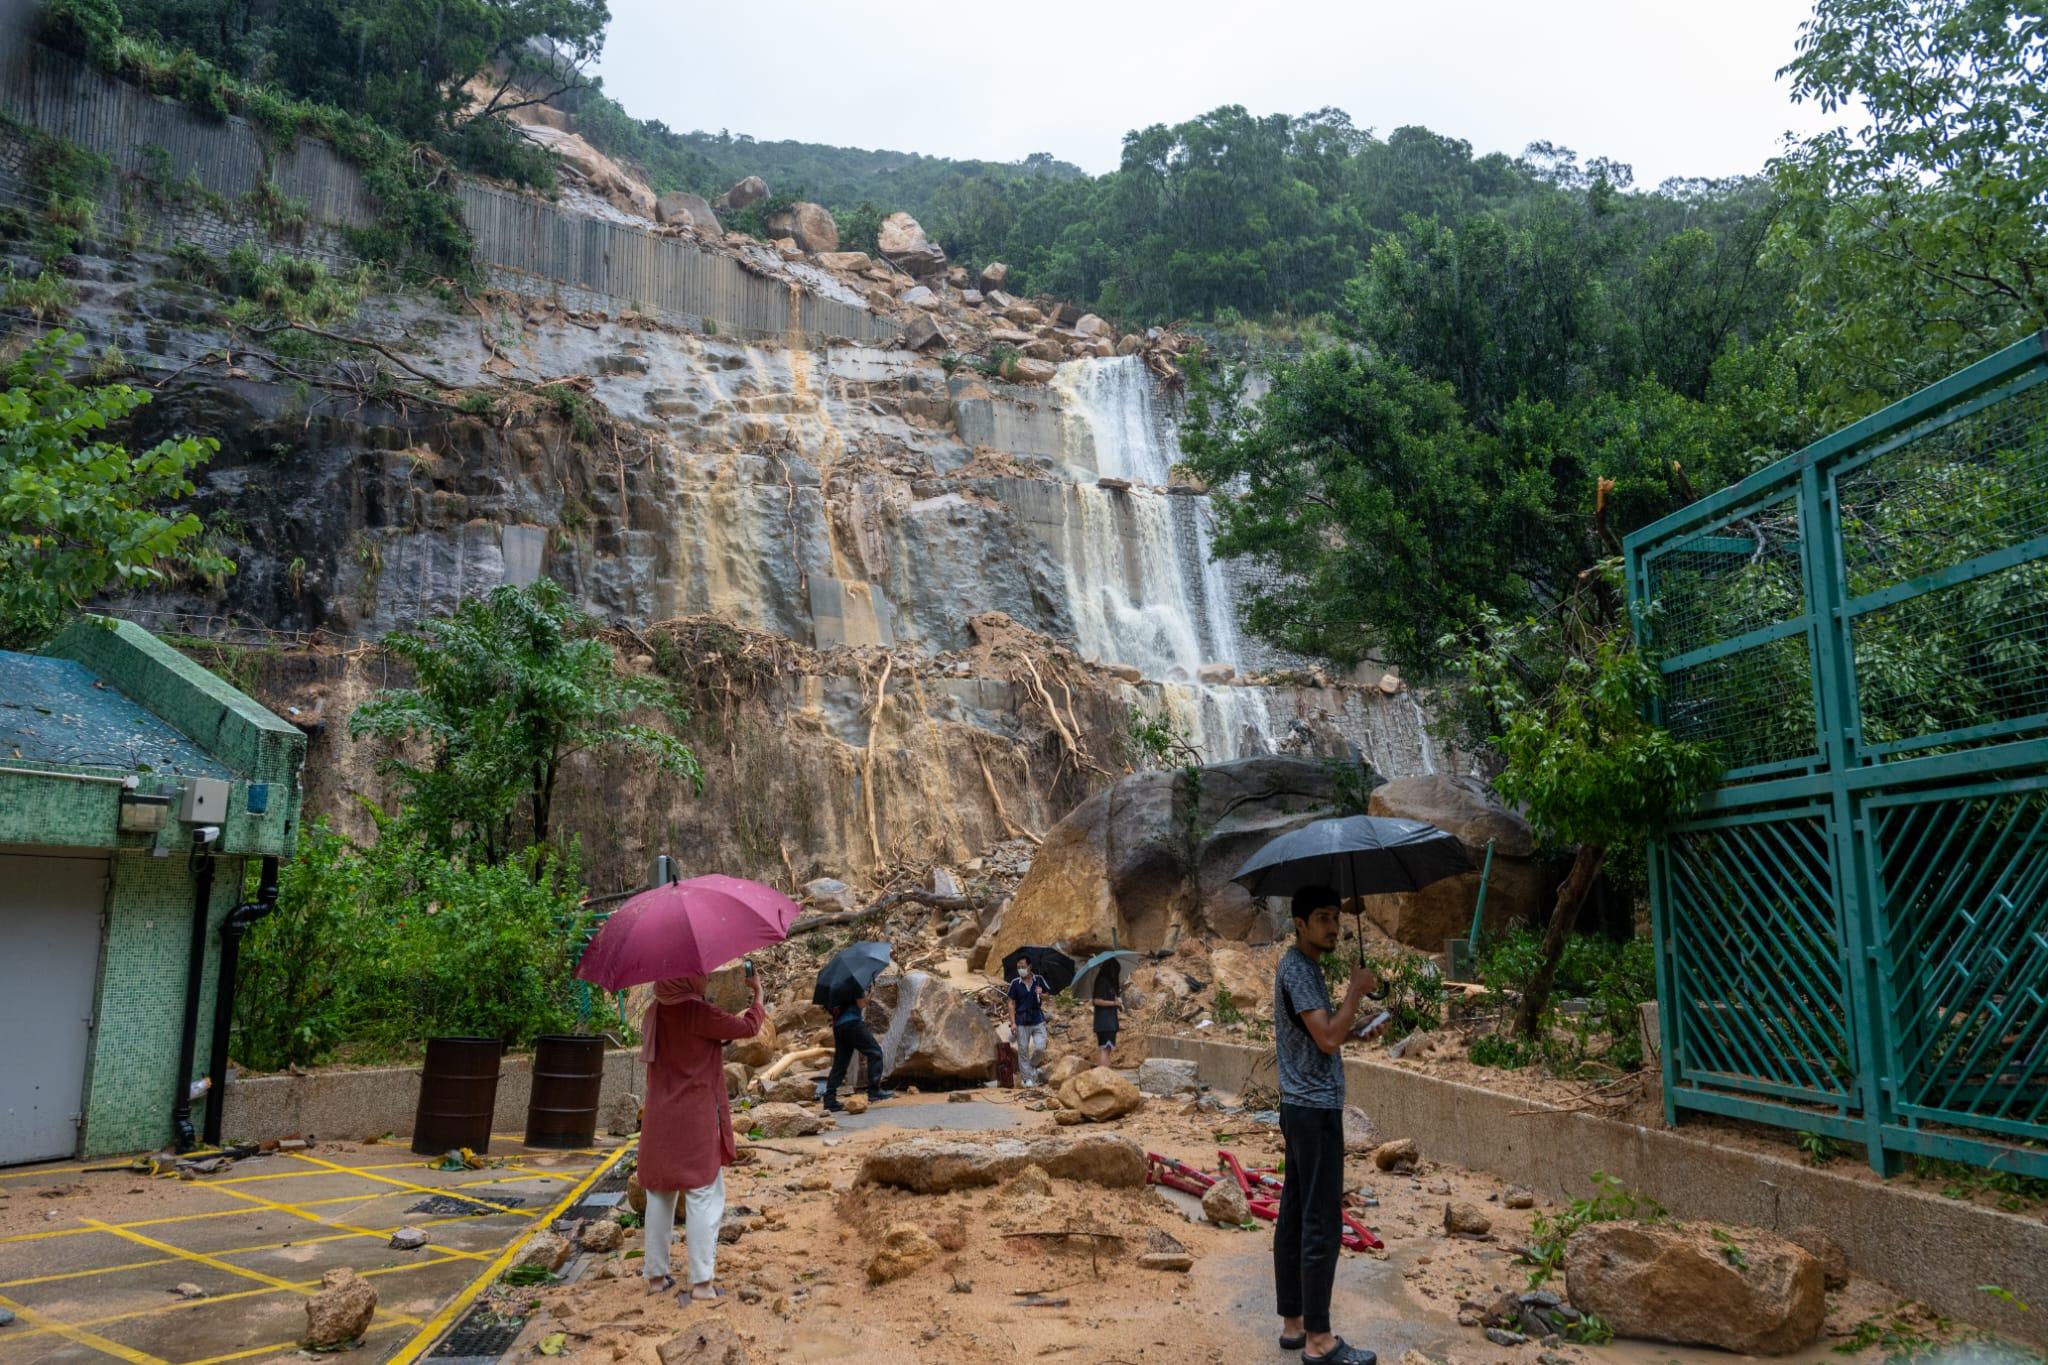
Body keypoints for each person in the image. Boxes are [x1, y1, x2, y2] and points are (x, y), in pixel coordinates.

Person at [1272, 886, 1384, 1365]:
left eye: (1336, 917)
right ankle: (1320, 1341)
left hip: (1302, 1107)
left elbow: (1329, 1034)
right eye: (1322, 917)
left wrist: (1358, 1028)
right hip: (1313, 1112)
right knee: (1321, 1220)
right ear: (1299, 923)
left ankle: (1295, 1325)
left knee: (1296, 1215)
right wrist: (1356, 991)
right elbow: (1326, 1037)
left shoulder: (1304, 969)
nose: (1334, 926)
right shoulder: (1299, 969)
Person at [638, 965, 764, 1303]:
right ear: (686, 977)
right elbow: (749, 1026)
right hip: (694, 1119)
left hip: (659, 1119)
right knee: (703, 1195)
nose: (705, 978)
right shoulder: (698, 1011)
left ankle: (655, 1276)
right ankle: (701, 1283)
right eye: (700, 973)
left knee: (659, 1196)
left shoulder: (654, 1012)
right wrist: (758, 994)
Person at [821, 986, 895, 1112]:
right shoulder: (853, 981)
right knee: (875, 1052)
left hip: (839, 1026)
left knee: (840, 1063)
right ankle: (874, 1091)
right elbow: (861, 1004)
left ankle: (830, 1099)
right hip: (853, 1023)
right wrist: (867, 997)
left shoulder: (834, 987)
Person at [1007, 956, 1050, 1086]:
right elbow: (1011, 1003)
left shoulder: (1039, 980)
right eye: (1018, 967)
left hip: (1037, 1019)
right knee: (1023, 1050)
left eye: (1023, 966)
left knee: (1040, 1048)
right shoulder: (1015, 983)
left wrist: (1041, 993)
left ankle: (1031, 1067)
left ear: (1030, 967)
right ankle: (1027, 1079)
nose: (1021, 969)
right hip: (1021, 1021)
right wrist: (1013, 1022)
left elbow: (1048, 996)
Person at [1091, 959, 1123, 1067]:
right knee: (1105, 1050)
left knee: (1106, 1050)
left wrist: (1117, 1004)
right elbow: (1097, 1000)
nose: (1115, 973)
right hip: (1105, 1022)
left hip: (1109, 1022)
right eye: (1114, 970)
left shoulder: (1108, 983)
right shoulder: (1102, 981)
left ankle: (1103, 1076)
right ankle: (1105, 1076)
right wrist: (1114, 1003)